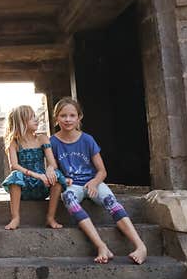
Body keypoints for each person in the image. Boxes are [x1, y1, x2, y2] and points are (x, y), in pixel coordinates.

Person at [50, 97, 147, 265]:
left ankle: (140, 246)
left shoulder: (87, 140)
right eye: (63, 115)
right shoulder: (53, 142)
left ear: (79, 117)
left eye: (72, 115)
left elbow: (102, 171)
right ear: (56, 118)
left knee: (110, 200)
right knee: (68, 198)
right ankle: (101, 246)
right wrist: (62, 178)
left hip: (93, 182)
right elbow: (53, 168)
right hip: (73, 186)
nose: (67, 119)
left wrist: (94, 183)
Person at [0, 105, 68, 231]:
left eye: (35, 116)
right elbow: (14, 166)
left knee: (57, 175)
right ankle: (15, 217)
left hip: (43, 185)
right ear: (21, 122)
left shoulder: (42, 138)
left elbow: (53, 163)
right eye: (31, 117)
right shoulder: (14, 142)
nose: (36, 119)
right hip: (24, 187)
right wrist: (36, 175)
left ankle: (50, 217)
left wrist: (49, 169)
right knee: (15, 175)